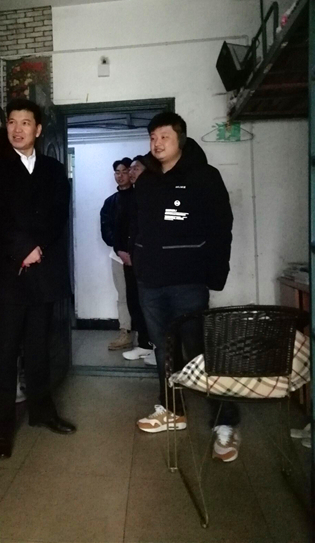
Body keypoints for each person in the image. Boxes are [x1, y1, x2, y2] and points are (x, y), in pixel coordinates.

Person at [133, 112, 240, 463]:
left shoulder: (204, 177)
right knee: (163, 350)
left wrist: (216, 274)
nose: (157, 143)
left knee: (198, 349)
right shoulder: (146, 180)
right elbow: (139, 225)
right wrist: (138, 261)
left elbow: (221, 227)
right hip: (151, 282)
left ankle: (225, 420)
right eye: (152, 137)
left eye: (164, 136)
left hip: (188, 281)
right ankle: (172, 409)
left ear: (180, 138)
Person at [0, 98, 76, 460]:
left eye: (25, 122)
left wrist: (39, 247)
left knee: (39, 349)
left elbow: (59, 214)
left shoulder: (53, 168)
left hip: (44, 271)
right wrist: (23, 248)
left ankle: (42, 412)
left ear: (38, 129)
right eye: (12, 122)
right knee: (3, 353)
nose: (17, 129)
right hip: (9, 274)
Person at [122, 155, 156, 364]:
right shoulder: (130, 195)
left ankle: (153, 346)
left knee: (148, 305)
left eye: (136, 169)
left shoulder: (152, 195)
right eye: (131, 169)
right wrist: (122, 250)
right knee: (135, 303)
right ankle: (144, 344)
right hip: (129, 258)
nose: (131, 172)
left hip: (145, 259)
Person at [100, 158, 134, 351]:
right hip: (117, 256)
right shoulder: (110, 202)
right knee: (123, 295)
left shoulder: (141, 197)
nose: (120, 176)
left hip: (140, 256)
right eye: (117, 172)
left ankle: (146, 336)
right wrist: (120, 250)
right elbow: (106, 231)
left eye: (124, 171)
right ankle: (125, 332)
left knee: (143, 295)